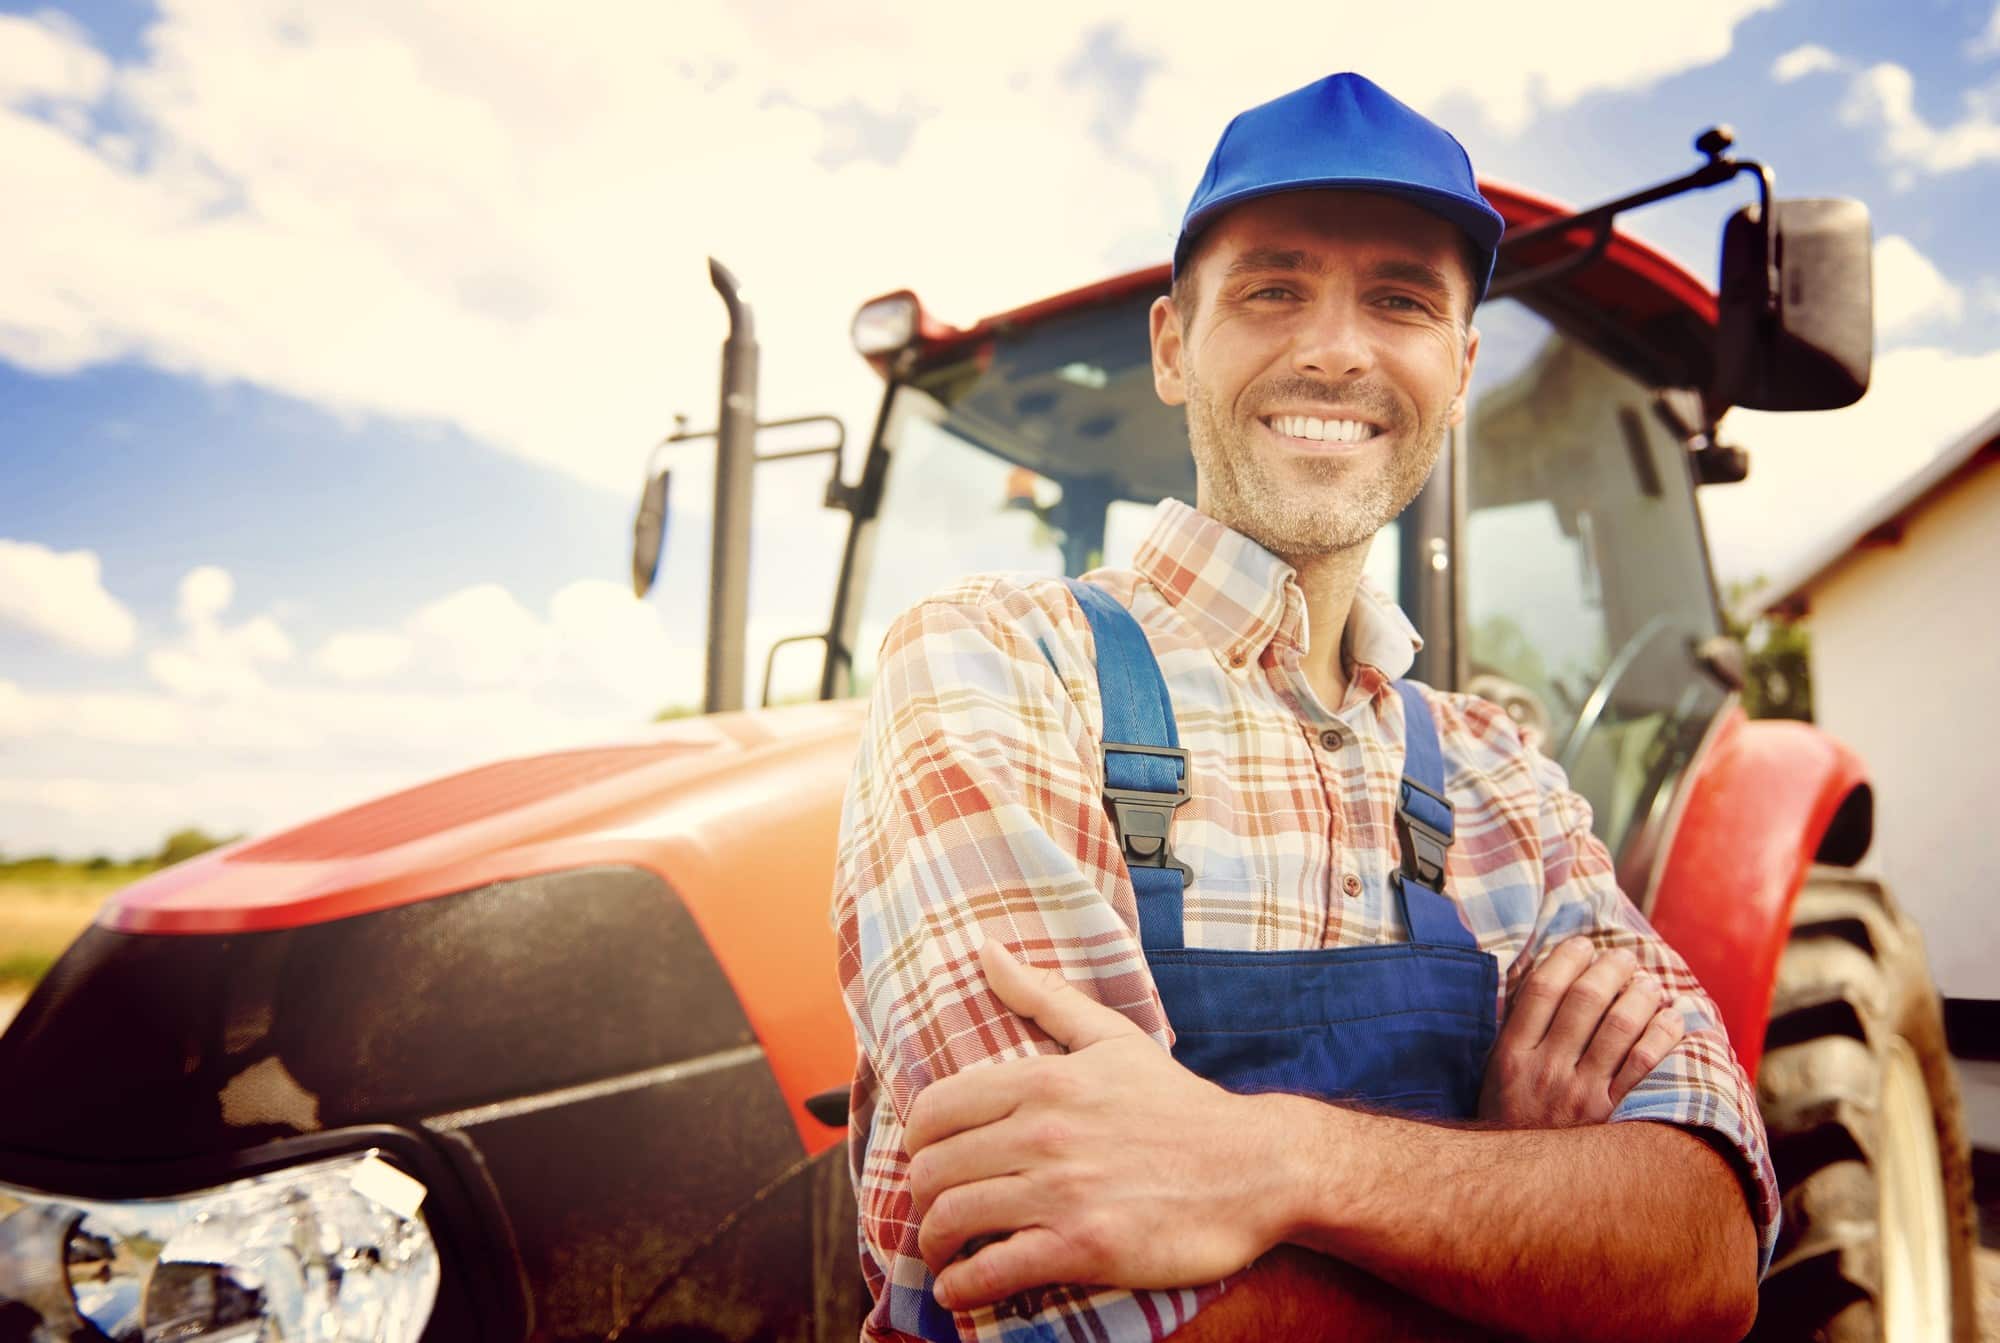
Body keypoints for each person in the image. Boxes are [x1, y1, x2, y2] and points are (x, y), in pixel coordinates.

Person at [832, 72, 1776, 1343]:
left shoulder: (1506, 774)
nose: (1333, 347)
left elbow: (1704, 1257)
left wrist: (1276, 1163)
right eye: (1272, 287)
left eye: (1399, 299)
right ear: (1172, 347)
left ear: (1458, 366)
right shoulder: (996, 668)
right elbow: (1059, 1303)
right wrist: (1515, 1210)